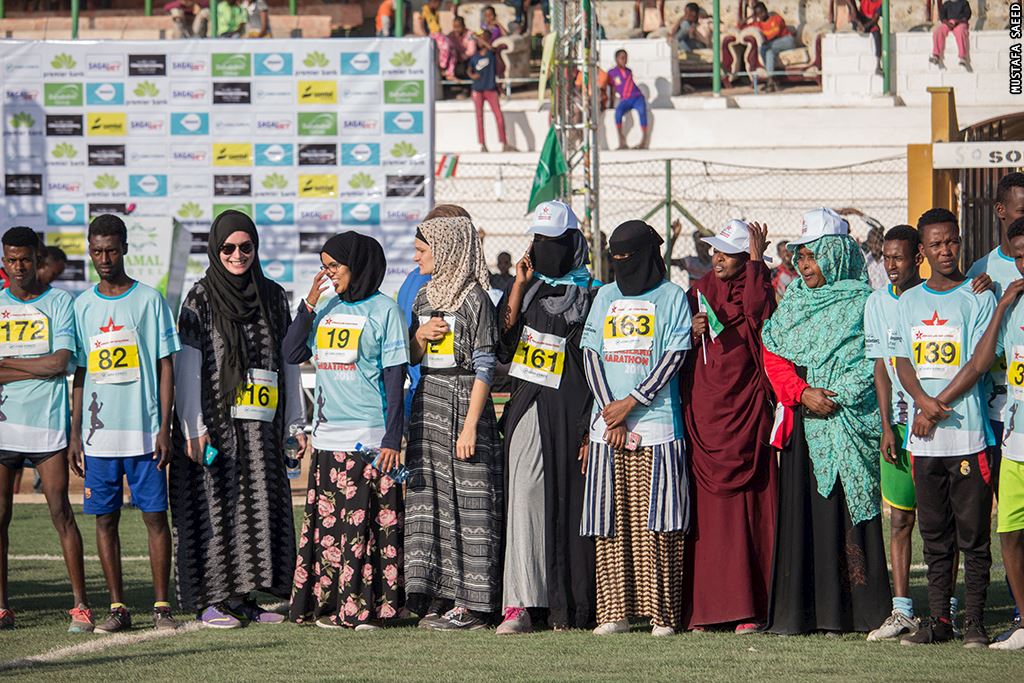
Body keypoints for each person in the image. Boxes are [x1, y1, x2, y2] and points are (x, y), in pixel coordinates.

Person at [761, 207, 891, 635]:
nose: (804, 266)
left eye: (812, 256)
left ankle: (857, 613)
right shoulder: (795, 298)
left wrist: (834, 396)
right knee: (807, 515)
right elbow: (774, 352)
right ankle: (804, 614)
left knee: (851, 513)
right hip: (805, 422)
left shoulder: (865, 301)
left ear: (835, 254)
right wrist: (802, 394)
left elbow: (875, 361)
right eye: (799, 257)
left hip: (848, 419)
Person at [170, 211, 303, 628]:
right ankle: (212, 600)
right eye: (228, 248)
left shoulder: (273, 297)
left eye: (246, 247)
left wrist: (294, 425)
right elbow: (188, 366)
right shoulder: (200, 299)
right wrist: (193, 426)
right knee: (214, 509)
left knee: (256, 508)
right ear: (215, 249)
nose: (237, 255)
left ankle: (245, 597)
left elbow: (290, 362)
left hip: (261, 427)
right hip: (216, 427)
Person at [286, 233, 409, 630]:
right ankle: (331, 605)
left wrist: (392, 438)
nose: (328, 273)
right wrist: (308, 304)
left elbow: (394, 378)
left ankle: (373, 609)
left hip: (368, 439)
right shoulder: (326, 307)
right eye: (324, 266)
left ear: (358, 265)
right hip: (326, 439)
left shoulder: (384, 310)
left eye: (334, 266)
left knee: (368, 529)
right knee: (331, 532)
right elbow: (290, 352)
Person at [68, 214, 181, 633]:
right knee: (105, 519)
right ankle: (118, 608)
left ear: (125, 248)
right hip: (99, 438)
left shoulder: (150, 301)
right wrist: (76, 432)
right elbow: (79, 373)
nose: (104, 258)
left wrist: (164, 426)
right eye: (97, 251)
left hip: (143, 431)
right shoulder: (82, 306)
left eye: (111, 250)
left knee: (155, 517)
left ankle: (162, 607)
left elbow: (166, 366)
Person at [581, 220, 692, 636]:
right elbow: (591, 353)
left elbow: (673, 357)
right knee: (610, 521)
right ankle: (614, 613)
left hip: (658, 426)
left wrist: (632, 403)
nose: (620, 263)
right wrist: (611, 410)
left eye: (627, 254)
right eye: (614, 255)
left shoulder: (672, 297)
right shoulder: (604, 296)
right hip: (607, 429)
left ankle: (662, 615)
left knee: (659, 524)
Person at [493, 201, 599, 634]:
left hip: (575, 412)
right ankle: (520, 603)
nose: (544, 249)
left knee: (571, 505)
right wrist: (519, 286)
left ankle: (567, 607)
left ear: (572, 244)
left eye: (553, 242)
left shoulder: (594, 294)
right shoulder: (527, 288)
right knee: (525, 500)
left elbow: (596, 365)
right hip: (529, 408)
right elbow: (504, 343)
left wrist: (589, 428)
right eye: (538, 241)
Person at [892, 208, 995, 647]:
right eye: (935, 244)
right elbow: (900, 361)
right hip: (925, 443)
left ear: (960, 240)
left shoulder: (978, 296)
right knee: (934, 537)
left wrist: (936, 406)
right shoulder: (908, 301)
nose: (945, 250)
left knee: (972, 535)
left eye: (951, 241)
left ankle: (974, 620)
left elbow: (979, 363)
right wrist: (921, 402)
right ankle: (939, 621)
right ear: (923, 251)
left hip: (967, 435)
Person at [405, 212, 503, 630]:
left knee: (471, 501)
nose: (416, 258)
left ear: (446, 250)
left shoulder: (476, 299)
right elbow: (409, 358)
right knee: (432, 503)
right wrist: (419, 337)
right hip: (428, 404)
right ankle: (438, 593)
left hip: (466, 404)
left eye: (422, 250)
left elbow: (485, 366)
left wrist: (469, 426)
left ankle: (475, 602)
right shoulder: (423, 298)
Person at [681, 220, 777, 633]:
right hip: (706, 416)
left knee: (747, 513)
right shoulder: (699, 291)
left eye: (727, 252)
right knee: (708, 520)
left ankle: (748, 608)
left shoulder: (759, 287)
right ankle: (704, 609)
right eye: (715, 251)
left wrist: (757, 264)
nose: (717, 258)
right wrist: (690, 331)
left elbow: (760, 316)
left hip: (747, 412)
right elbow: (672, 344)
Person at [0, 227, 92, 633]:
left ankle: (81, 606)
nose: (18, 267)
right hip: (3, 428)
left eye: (24, 259)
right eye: (10, 259)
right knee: (0, 517)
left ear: (38, 258)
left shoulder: (59, 302)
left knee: (61, 513)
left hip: (48, 428)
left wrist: (6, 369)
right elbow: (47, 362)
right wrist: (36, 364)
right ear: (4, 261)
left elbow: (59, 364)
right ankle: (2, 607)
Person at [941, 216, 1024, 650]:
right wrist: (1002, 303)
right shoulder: (1001, 293)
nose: (1023, 265)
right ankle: (1022, 619)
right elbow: (984, 358)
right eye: (1019, 256)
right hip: (1011, 434)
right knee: (1008, 530)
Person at [863, 225, 926, 641]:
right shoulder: (875, 302)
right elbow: (881, 368)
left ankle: (944, 608)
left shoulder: (932, 299)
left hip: (941, 426)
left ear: (917, 257)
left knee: (942, 523)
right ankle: (901, 610)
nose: (891, 265)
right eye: (886, 257)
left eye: (899, 257)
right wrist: (886, 425)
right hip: (899, 427)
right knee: (900, 519)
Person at [468, 33, 512, 154]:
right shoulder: (475, 57)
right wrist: (472, 75)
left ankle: (504, 143)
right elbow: (469, 69)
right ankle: (482, 144)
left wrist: (481, 39)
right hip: (478, 90)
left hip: (490, 89)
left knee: (498, 115)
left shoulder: (491, 54)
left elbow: (492, 49)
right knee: (479, 117)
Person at [744, 2, 795, 91]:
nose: (761, 15)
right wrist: (750, 17)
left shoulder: (776, 18)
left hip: (787, 40)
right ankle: (771, 80)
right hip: (772, 45)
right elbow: (741, 26)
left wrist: (768, 43)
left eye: (762, 12)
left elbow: (776, 33)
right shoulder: (758, 24)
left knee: (764, 48)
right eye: (758, 14)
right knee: (768, 52)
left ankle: (771, 81)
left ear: (766, 10)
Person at [608, 50, 649, 150]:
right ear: (617, 59)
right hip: (625, 99)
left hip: (637, 97)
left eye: (626, 58)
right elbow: (612, 88)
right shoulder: (612, 73)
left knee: (642, 113)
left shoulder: (628, 71)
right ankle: (621, 141)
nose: (624, 60)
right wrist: (611, 103)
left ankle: (644, 141)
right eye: (622, 58)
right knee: (618, 113)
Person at [838, 0, 882, 75]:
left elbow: (875, 18)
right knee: (853, 10)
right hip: (859, 19)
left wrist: (865, 27)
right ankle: (856, 24)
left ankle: (878, 65)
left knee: (877, 32)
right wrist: (852, 9)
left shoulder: (881, 2)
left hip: (870, 22)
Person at [930, 0, 972, 71]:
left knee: (960, 32)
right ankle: (936, 55)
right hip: (949, 23)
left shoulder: (964, 3)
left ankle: (962, 57)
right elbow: (942, 16)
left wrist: (958, 22)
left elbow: (967, 15)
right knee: (938, 31)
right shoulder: (946, 4)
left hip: (961, 22)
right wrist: (948, 23)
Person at [863, 225, 887, 290]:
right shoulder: (865, 262)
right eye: (871, 242)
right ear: (868, 243)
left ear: (882, 243)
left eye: (877, 243)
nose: (874, 246)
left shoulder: (887, 261)